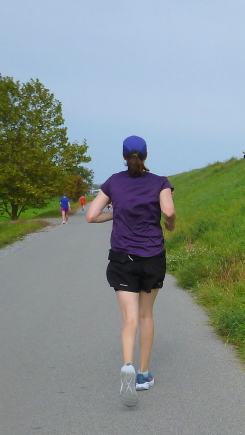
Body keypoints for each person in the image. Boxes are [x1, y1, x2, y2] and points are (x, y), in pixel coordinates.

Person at [86, 135, 176, 408]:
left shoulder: (113, 182)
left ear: (124, 157)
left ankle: (127, 364)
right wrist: (170, 224)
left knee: (130, 318)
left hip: (122, 258)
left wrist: (118, 212)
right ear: (146, 155)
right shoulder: (160, 182)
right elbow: (168, 211)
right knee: (146, 315)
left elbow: (91, 216)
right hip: (152, 257)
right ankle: (143, 375)